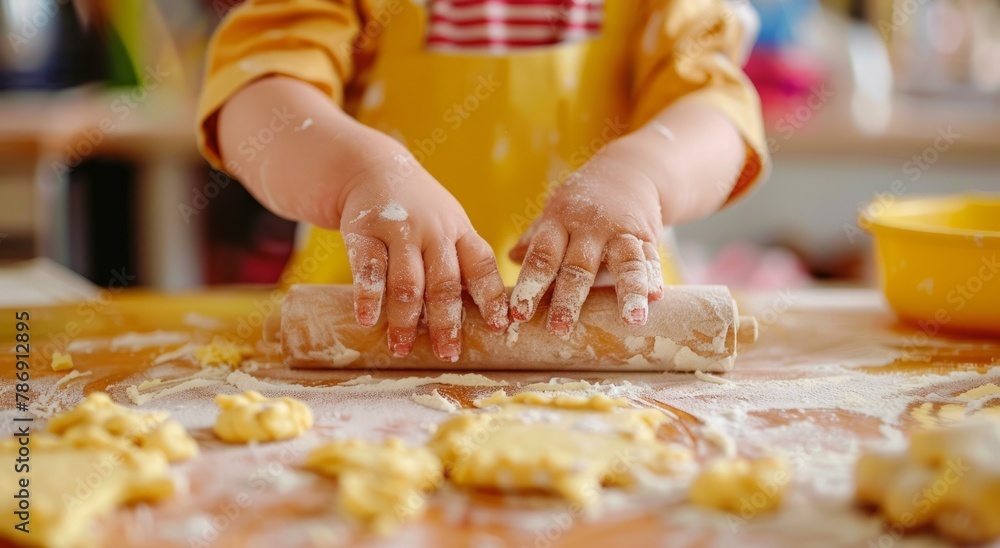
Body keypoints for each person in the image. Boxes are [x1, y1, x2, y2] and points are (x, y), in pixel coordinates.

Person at [196, 0, 769, 362]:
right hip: (364, 332)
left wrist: (642, 174)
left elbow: (715, 106)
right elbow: (258, 92)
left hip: (617, 334)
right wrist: (361, 174)